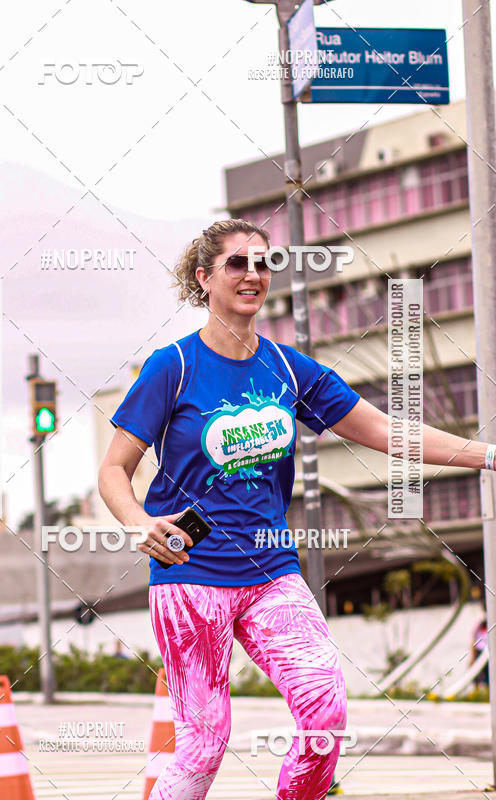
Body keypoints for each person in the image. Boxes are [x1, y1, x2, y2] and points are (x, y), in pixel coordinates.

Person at [98, 218, 496, 800]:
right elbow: (113, 471)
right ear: (205, 278)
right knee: (204, 744)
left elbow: (385, 431)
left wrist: (488, 456)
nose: (254, 274)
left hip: (271, 571)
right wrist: (139, 522)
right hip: (189, 578)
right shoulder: (173, 367)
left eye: (264, 263)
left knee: (325, 711)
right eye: (238, 263)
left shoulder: (288, 369)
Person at [471, 617, 489, 689]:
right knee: (476, 672)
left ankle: (488, 690)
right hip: (479, 651)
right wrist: (473, 656)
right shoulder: (480, 626)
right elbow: (474, 639)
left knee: (489, 674)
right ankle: (476, 689)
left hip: (488, 652)